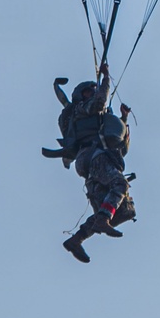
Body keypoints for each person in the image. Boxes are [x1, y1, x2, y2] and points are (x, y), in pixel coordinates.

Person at [43, 64, 137, 263]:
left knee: (113, 209)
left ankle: (77, 240)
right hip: (94, 156)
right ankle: (103, 220)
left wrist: (124, 118)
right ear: (81, 96)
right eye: (89, 91)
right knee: (119, 185)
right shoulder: (82, 109)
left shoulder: (97, 117)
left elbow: (120, 145)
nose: (93, 93)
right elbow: (100, 101)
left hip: (92, 161)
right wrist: (105, 79)